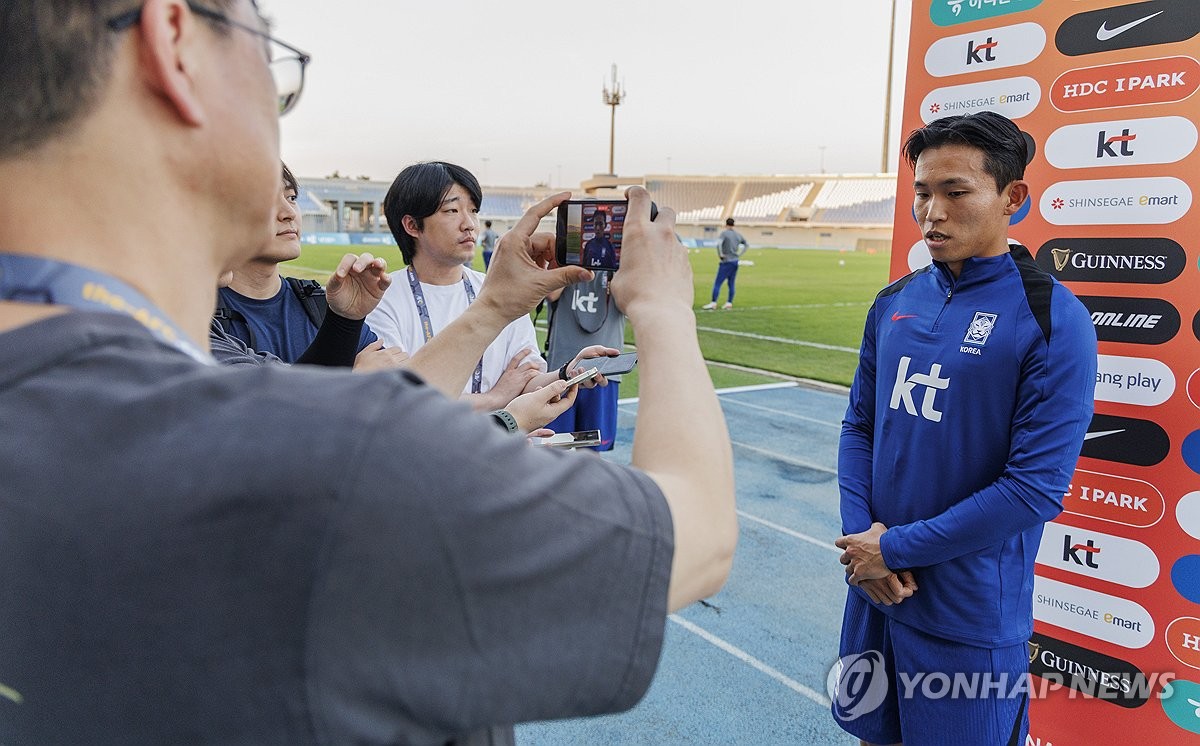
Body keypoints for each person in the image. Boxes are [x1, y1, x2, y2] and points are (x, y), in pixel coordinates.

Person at [0, 3, 735, 743]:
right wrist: (665, 307)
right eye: (275, 67)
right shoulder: (329, 459)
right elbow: (697, 537)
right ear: (173, 45)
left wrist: (488, 311)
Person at [831, 111, 1097, 746]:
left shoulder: (1053, 320)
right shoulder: (894, 300)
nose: (932, 212)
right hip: (874, 590)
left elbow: (1034, 490)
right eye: (923, 191)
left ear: (1012, 198)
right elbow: (859, 426)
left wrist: (890, 550)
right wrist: (861, 545)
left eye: (956, 192)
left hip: (967, 616)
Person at [367, 161, 613, 413]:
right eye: (452, 211)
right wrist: (495, 398)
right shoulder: (380, 299)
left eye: (473, 211)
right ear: (412, 225)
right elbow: (401, 403)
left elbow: (526, 382)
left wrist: (567, 372)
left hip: (491, 445)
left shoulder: (501, 289)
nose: (469, 224)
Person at [216, 162, 397, 369]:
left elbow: (394, 384)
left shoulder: (322, 304)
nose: (288, 213)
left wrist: (346, 319)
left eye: (291, 198)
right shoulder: (200, 317)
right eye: (266, 199)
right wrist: (354, 379)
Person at [544, 269, 626, 451]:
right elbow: (551, 293)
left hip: (605, 371)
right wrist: (573, 259)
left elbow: (627, 302)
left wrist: (618, 264)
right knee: (553, 448)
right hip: (561, 370)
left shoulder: (618, 266)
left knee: (591, 449)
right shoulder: (565, 258)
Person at [702, 217, 748, 310]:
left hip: (726, 261)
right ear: (733, 225)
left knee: (718, 283)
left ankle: (713, 302)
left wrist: (720, 254)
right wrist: (739, 254)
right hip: (735, 261)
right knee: (731, 283)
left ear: (726, 224)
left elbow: (719, 244)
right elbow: (746, 245)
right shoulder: (738, 235)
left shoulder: (724, 234)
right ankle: (729, 303)